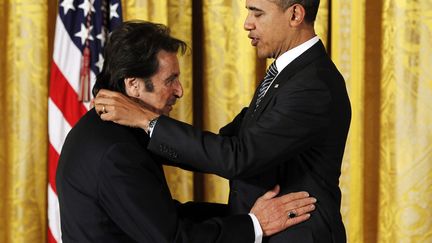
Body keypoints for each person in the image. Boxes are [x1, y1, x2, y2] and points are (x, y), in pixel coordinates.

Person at [95, 0, 351, 241]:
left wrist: (147, 121)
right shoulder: (287, 75)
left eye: (257, 13)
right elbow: (222, 146)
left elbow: (238, 157)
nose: (247, 23)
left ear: (295, 15)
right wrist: (136, 136)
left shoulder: (313, 84)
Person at [56, 20, 316, 243]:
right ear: (133, 85)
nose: (180, 91)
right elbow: (175, 238)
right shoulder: (116, 151)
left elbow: (161, 213)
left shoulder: (109, 130)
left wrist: (243, 215)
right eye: (170, 80)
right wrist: (255, 224)